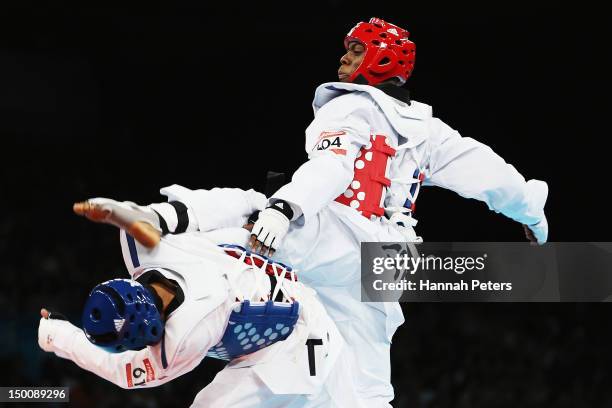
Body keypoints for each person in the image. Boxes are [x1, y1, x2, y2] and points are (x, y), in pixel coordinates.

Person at [38, 193, 361, 408]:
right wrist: (129, 213)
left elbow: (123, 372)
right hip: (298, 259)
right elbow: (146, 222)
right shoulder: (146, 249)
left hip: (294, 342)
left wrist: (56, 335)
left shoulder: (184, 335)